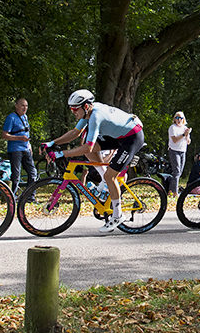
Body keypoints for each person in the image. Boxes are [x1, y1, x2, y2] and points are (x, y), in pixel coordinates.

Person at [42, 90, 144, 233]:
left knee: (110, 174)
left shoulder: (95, 116)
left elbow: (87, 147)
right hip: (119, 135)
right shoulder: (88, 112)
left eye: (74, 109)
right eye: (71, 109)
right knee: (91, 152)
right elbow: (75, 133)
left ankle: (117, 215)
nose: (73, 112)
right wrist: (52, 143)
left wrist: (61, 154)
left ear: (85, 106)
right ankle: (105, 180)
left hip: (132, 138)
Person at [2, 98, 37, 196]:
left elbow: (26, 133)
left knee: (32, 172)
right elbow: (4, 135)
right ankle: (12, 196)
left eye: (26, 106)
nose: (25, 108)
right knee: (16, 175)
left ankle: (30, 196)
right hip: (15, 149)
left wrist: (29, 146)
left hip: (26, 149)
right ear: (16, 106)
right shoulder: (11, 118)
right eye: (22, 105)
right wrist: (19, 138)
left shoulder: (25, 117)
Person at [167, 111, 191, 196]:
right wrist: (184, 134)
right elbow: (175, 140)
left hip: (183, 151)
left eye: (181, 118)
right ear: (174, 119)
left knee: (179, 172)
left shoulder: (185, 128)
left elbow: (188, 142)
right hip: (174, 150)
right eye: (177, 118)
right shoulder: (172, 128)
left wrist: (187, 135)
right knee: (176, 171)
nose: (179, 120)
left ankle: (170, 189)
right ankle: (175, 192)